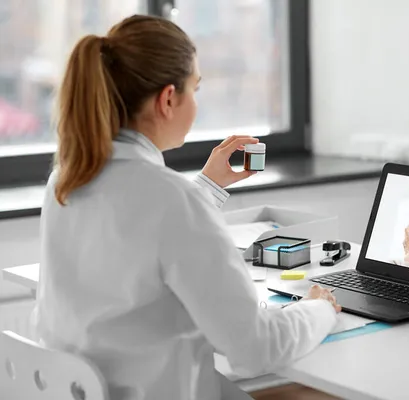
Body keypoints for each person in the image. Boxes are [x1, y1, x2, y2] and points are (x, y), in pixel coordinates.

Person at [32, 15, 341, 400]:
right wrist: (319, 309)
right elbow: (256, 348)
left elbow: (141, 231)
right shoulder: (170, 198)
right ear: (167, 99)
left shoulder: (66, 179)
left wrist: (208, 187)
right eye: (195, 88)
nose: (196, 101)